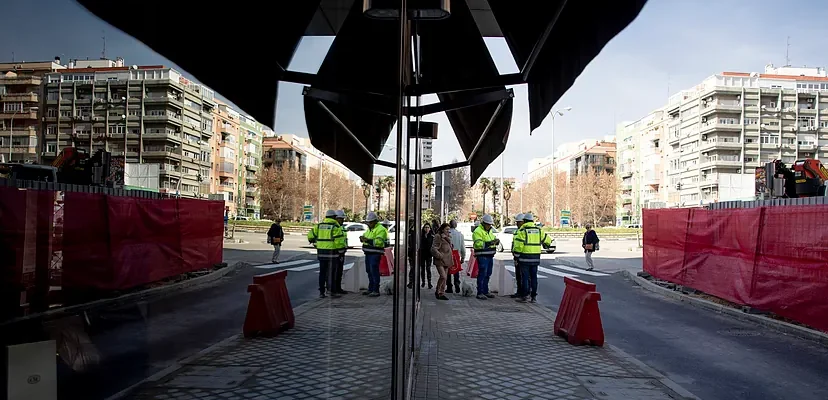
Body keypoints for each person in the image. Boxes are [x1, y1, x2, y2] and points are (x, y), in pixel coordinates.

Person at [514, 213, 551, 303]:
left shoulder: (523, 231)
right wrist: (545, 245)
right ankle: (533, 296)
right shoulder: (538, 230)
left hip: (524, 258)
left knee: (525, 277)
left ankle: (525, 296)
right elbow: (548, 240)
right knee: (534, 277)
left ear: (524, 221)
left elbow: (518, 246)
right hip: (535, 258)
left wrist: (516, 256)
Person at [307, 210, 344, 298]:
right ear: (334, 217)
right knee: (331, 273)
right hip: (332, 254)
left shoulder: (319, 226)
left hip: (321, 253)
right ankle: (331, 291)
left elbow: (310, 235)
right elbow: (339, 242)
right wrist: (341, 252)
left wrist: (314, 241)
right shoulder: (335, 227)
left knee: (322, 273)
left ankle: (321, 292)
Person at [360, 212, 387, 297]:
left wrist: (367, 240)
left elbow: (378, 242)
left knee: (374, 271)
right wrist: (362, 238)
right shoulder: (370, 229)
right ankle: (371, 288)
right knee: (369, 271)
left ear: (375, 221)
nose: (369, 224)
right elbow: (365, 236)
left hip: (375, 254)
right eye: (368, 222)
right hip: (368, 253)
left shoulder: (381, 229)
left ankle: (376, 290)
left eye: (370, 222)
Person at [472, 214, 499, 300]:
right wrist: (490, 243)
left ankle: (485, 291)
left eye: (490, 224)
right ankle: (480, 292)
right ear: (483, 223)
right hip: (482, 256)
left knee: (488, 274)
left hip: (489, 256)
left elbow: (492, 239)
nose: (489, 226)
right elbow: (478, 244)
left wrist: (496, 241)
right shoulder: (478, 231)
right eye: (488, 224)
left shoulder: (489, 231)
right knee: (482, 273)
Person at [431, 223, 453, 300]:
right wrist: (440, 255)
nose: (448, 231)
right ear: (442, 229)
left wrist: (447, 239)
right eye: (446, 229)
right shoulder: (438, 236)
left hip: (447, 260)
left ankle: (441, 293)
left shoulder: (447, 237)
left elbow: (450, 246)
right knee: (443, 276)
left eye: (449, 229)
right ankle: (438, 291)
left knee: (445, 277)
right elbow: (434, 248)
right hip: (440, 260)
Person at [446, 220, 465, 294]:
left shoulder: (447, 234)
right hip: (456, 254)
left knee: (448, 271)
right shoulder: (460, 234)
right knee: (456, 270)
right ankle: (457, 284)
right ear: (456, 225)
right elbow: (462, 247)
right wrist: (463, 257)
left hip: (448, 254)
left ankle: (449, 287)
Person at [509, 213, 525, 298]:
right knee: (518, 275)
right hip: (516, 256)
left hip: (523, 256)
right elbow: (514, 243)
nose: (517, 224)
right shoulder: (517, 232)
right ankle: (519, 291)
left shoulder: (524, 231)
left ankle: (524, 292)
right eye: (517, 222)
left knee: (524, 276)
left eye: (519, 222)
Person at [332, 210, 348, 294]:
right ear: (337, 218)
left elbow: (343, 240)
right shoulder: (335, 227)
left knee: (339, 271)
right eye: (341, 219)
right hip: (336, 252)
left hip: (341, 252)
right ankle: (334, 288)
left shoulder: (342, 227)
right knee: (335, 271)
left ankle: (338, 287)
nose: (343, 220)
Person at [419, 223, 434, 289]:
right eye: (425, 227)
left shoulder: (432, 236)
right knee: (422, 269)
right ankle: (423, 282)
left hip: (429, 255)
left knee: (428, 268)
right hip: (422, 254)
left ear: (430, 228)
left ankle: (429, 283)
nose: (426, 228)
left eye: (428, 227)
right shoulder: (420, 236)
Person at [406, 219, 417, 289]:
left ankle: (414, 282)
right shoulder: (408, 232)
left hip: (415, 252)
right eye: (410, 223)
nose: (411, 225)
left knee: (414, 268)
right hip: (411, 253)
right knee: (412, 268)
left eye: (412, 223)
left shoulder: (416, 232)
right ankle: (411, 282)